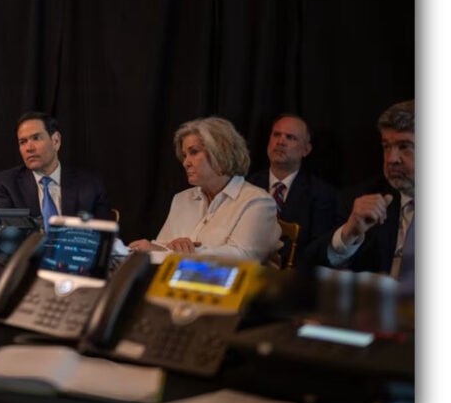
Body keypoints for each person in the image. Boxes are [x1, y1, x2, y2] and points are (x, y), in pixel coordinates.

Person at [129, 116, 279, 262]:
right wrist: (150, 248)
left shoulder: (258, 202)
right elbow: (165, 246)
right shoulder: (181, 199)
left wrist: (183, 253)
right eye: (184, 155)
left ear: (220, 151)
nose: (185, 163)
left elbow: (242, 256)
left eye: (194, 152)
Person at [304, 100, 415, 277]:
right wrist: (349, 234)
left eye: (404, 147)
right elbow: (311, 266)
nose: (391, 159)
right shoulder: (360, 200)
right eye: (386, 147)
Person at [0, 112, 111, 227]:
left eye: (36, 138)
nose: (29, 148)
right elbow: (0, 236)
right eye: (23, 142)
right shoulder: (4, 185)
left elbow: (104, 235)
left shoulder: (90, 184)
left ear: (56, 141)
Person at [247, 114, 339, 268]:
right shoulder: (248, 184)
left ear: (306, 150)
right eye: (276, 134)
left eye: (290, 137)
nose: (280, 142)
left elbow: (317, 252)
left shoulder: (322, 195)